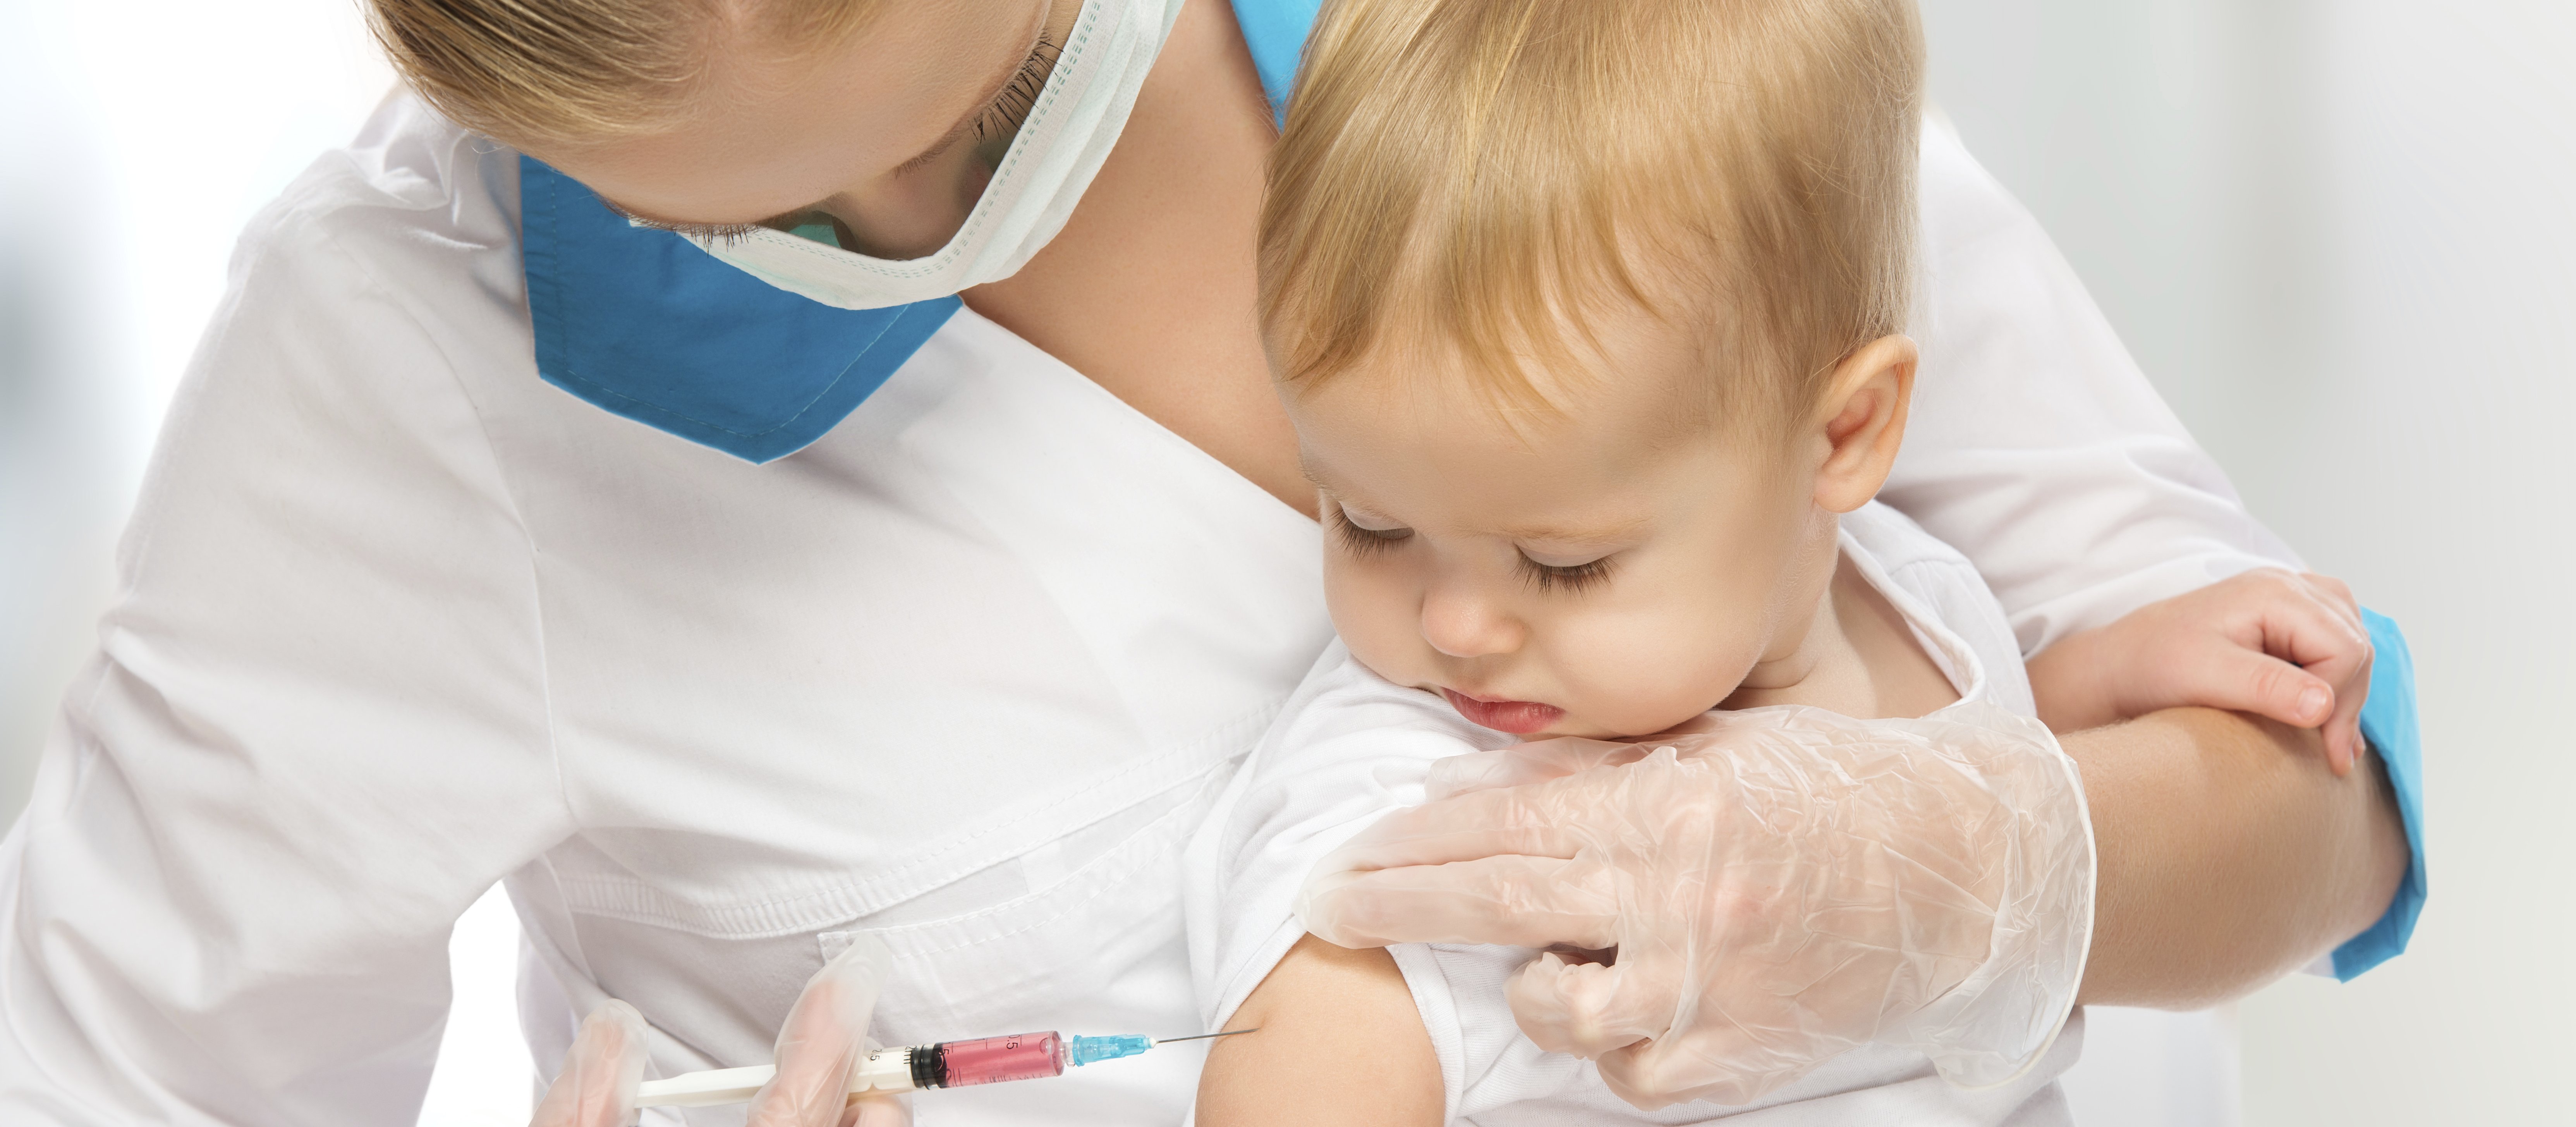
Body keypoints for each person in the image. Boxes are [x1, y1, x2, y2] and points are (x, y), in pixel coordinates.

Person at [0, 0, 2417, 1124]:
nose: (927, 233)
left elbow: (2320, 786)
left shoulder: (1578, 48)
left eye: (968, 101)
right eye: (766, 211)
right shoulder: (405, 367)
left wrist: (1974, 862)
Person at [1188, 0, 2387, 1120]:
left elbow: (1951, 763)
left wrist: (2119, 667)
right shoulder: (1418, 795)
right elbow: (1313, 1058)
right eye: (1369, 524)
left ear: (1844, 437)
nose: (1450, 623)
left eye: (1561, 565)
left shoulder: (1900, 587)